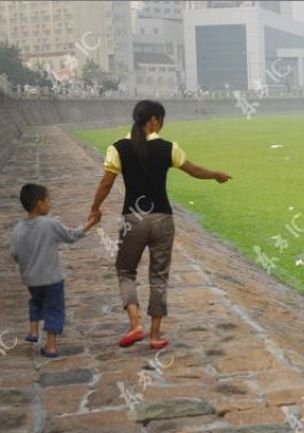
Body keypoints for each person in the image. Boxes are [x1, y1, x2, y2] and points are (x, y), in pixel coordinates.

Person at [88, 100, 232, 350]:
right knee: (159, 276)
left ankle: (135, 324)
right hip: (163, 219)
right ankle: (155, 336)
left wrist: (95, 208)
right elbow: (194, 171)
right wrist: (215, 175)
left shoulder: (118, 148)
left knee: (125, 271)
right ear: (154, 120)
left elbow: (106, 183)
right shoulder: (168, 148)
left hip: (133, 220)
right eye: (161, 120)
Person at [10, 183, 98, 358]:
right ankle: (50, 346)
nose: (50, 204)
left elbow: (14, 254)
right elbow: (71, 236)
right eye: (48, 200)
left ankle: (33, 331)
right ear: (39, 204)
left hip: (31, 280)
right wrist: (90, 224)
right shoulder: (50, 224)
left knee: (35, 302)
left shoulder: (17, 229)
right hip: (52, 279)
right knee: (54, 309)